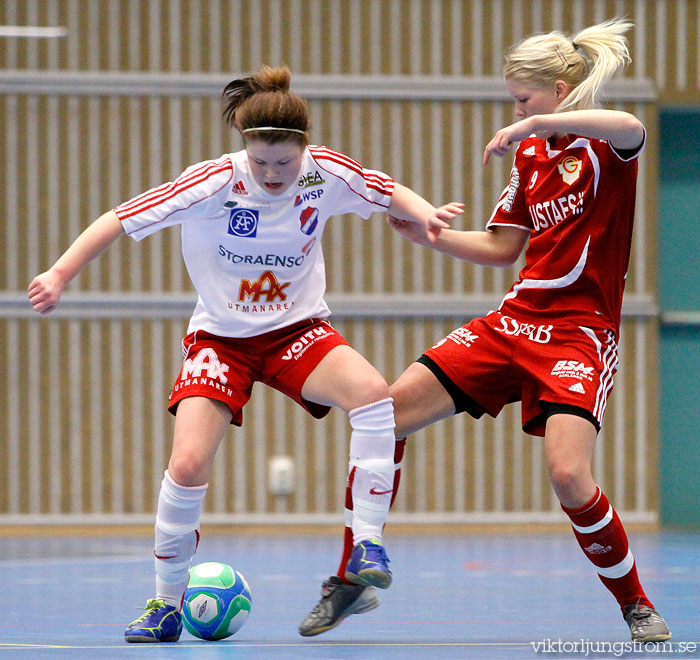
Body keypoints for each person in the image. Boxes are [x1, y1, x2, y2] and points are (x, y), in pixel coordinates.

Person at [27, 65, 457, 644]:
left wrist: (425, 212)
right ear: (244, 147)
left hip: (296, 331)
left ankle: (367, 543)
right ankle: (162, 604)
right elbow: (117, 219)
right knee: (187, 465)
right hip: (221, 340)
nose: (273, 175)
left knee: (373, 395)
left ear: (303, 149)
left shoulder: (325, 173)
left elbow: (385, 188)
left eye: (284, 163)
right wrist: (58, 273)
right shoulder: (209, 183)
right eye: (261, 163)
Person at [304, 18, 672, 643]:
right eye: (516, 104)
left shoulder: (604, 146)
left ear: (560, 90)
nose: (517, 113)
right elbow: (505, 248)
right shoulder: (531, 158)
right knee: (382, 415)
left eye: (523, 100)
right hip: (514, 323)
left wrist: (539, 122)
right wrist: (435, 238)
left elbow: (633, 127)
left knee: (568, 474)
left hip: (580, 333)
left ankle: (636, 603)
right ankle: (353, 574)